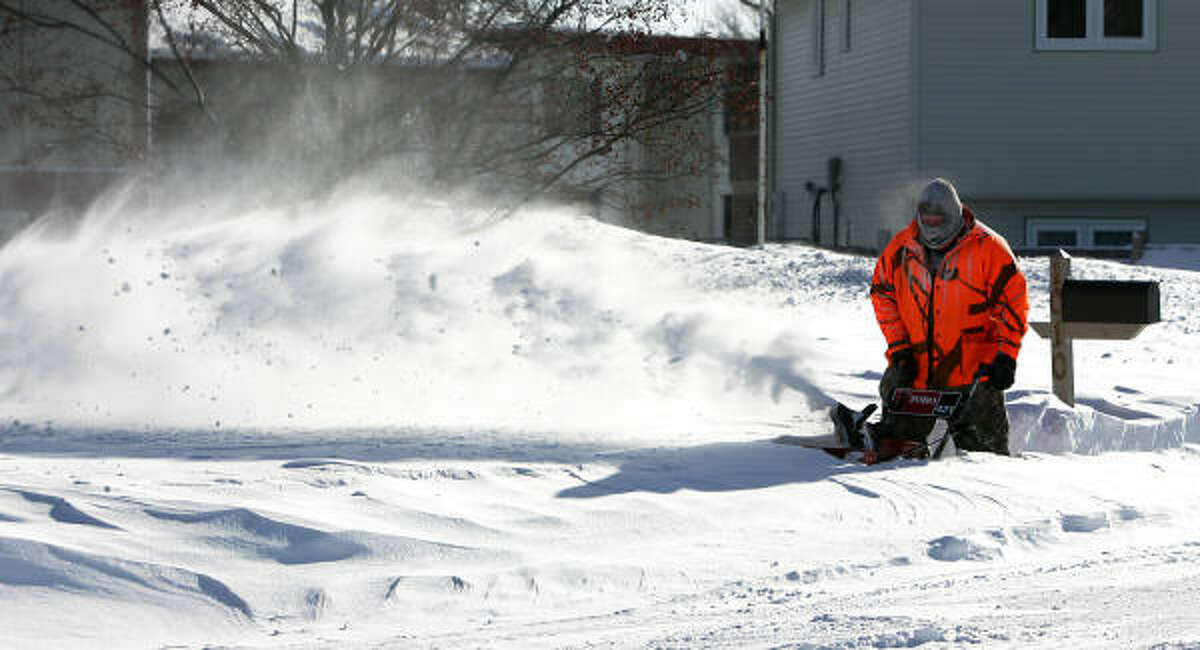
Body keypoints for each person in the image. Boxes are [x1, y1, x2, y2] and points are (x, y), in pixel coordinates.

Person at [869, 178, 1029, 455]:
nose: (932, 227)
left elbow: (1013, 304)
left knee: (985, 457)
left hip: (974, 373)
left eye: (939, 220)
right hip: (915, 368)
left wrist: (1006, 356)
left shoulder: (989, 247)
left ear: (954, 215)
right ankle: (893, 456)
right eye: (926, 220)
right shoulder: (901, 249)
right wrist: (900, 348)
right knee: (897, 445)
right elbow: (883, 295)